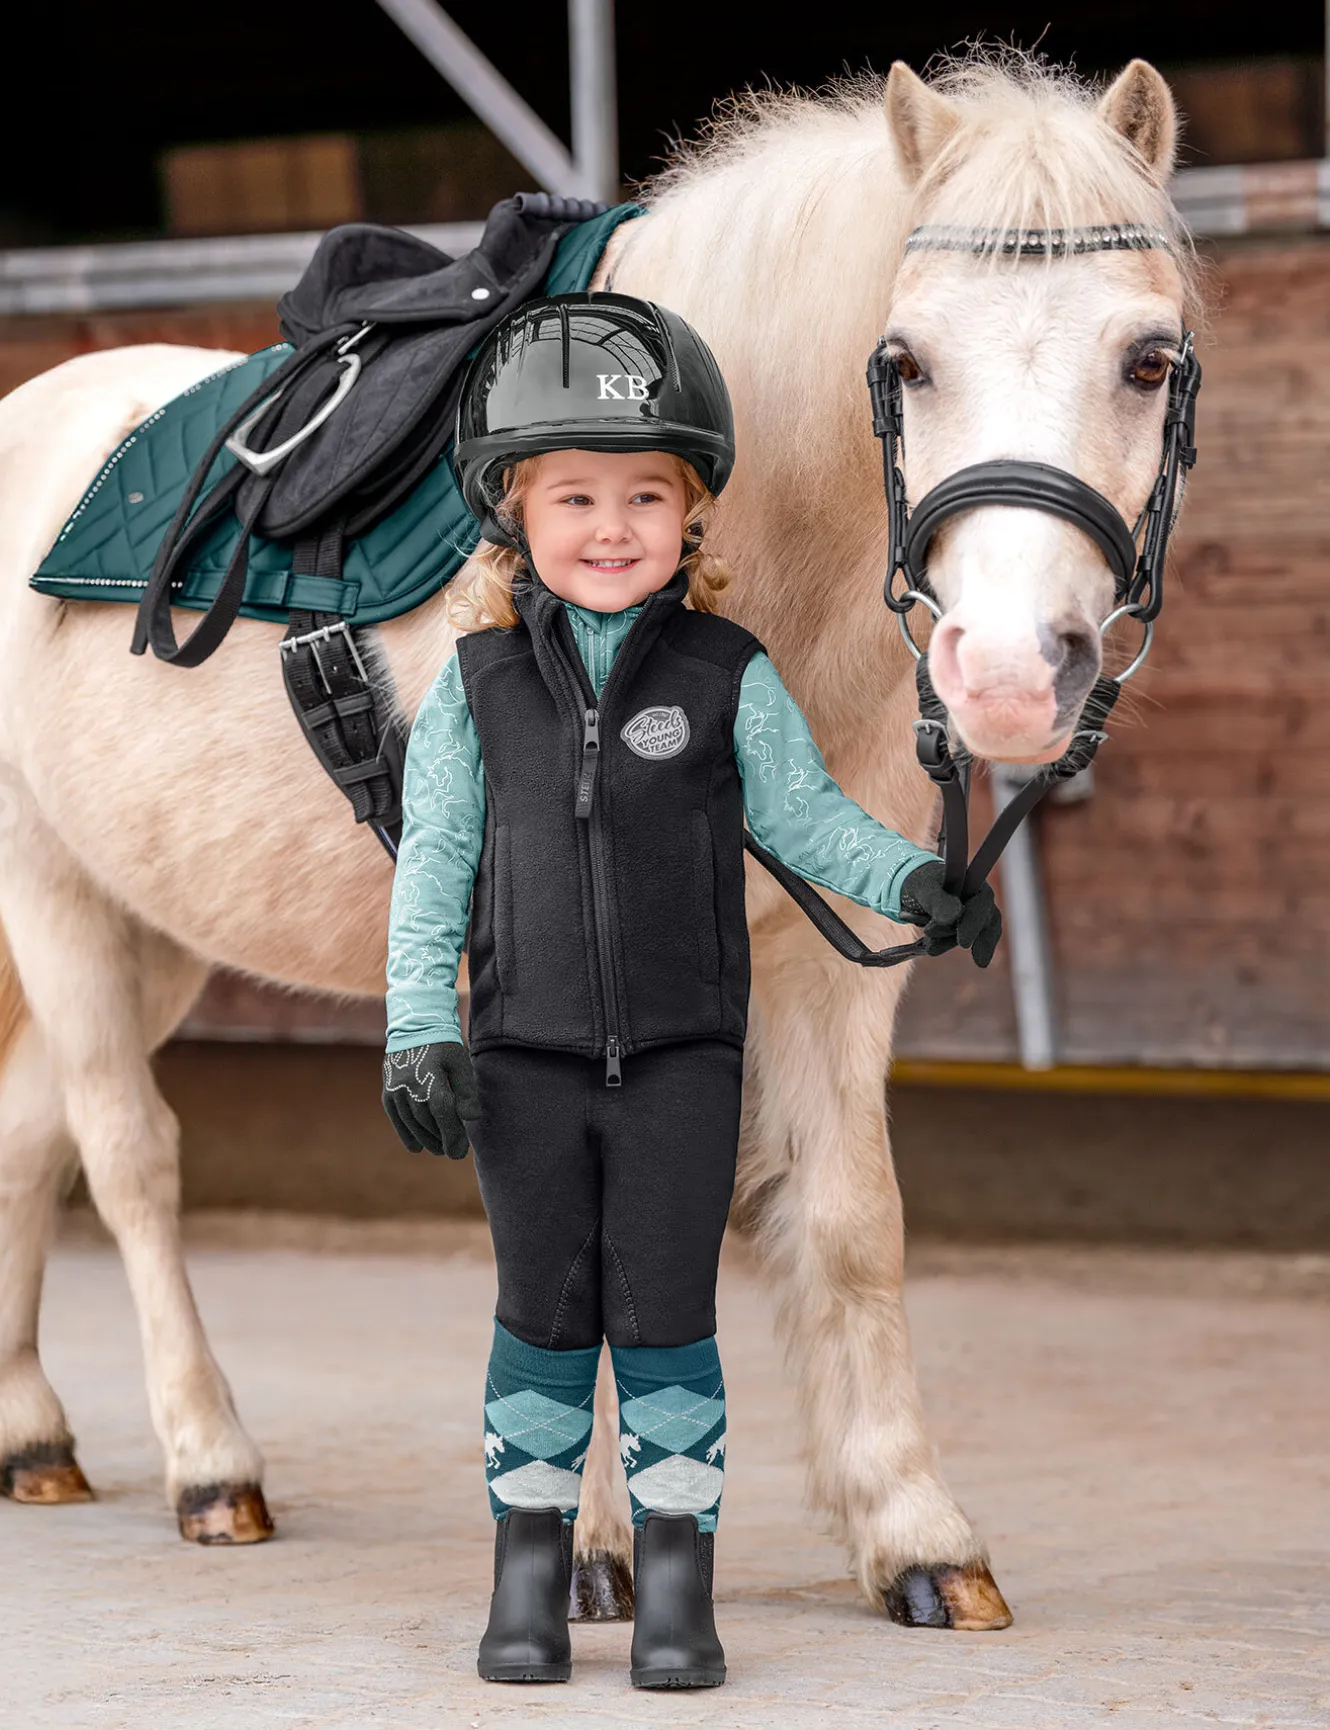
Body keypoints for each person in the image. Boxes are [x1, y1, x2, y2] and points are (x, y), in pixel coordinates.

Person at [380, 293, 1000, 1689]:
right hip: (523, 1066)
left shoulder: (728, 679)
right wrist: (419, 1025)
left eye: (644, 497)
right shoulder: (473, 690)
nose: (611, 527)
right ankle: (527, 1584)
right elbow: (432, 873)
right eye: (575, 497)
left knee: (668, 1328)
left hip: (677, 1063)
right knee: (538, 1328)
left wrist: (910, 883)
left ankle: (676, 1596)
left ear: (692, 515)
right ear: (513, 517)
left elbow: (811, 823)